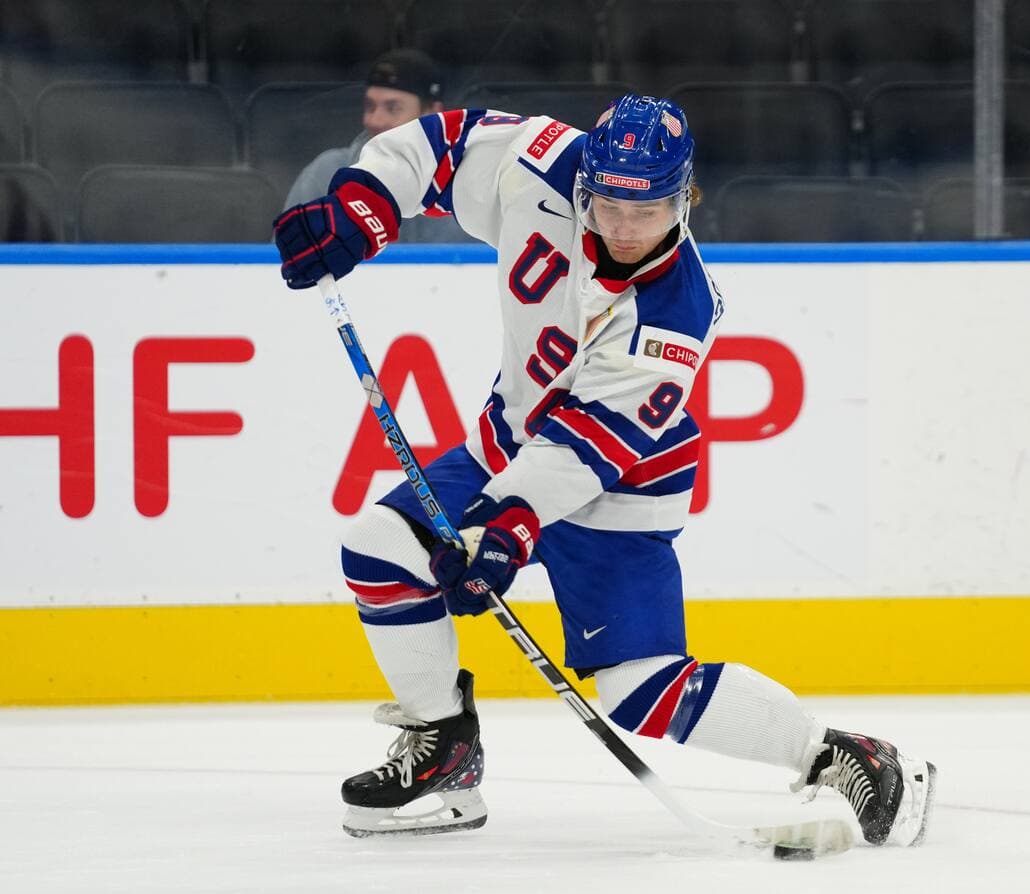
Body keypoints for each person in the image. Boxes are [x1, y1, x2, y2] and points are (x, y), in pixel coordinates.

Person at [272, 95, 936, 846]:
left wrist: (505, 527)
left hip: (618, 494)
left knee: (639, 691)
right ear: (586, 180)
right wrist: (363, 208)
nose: (622, 228)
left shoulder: (679, 311)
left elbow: (589, 446)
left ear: (684, 199)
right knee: (379, 549)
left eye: (647, 210)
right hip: (506, 451)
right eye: (608, 205)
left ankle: (844, 756)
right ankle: (445, 749)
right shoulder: (541, 161)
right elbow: (437, 145)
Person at [283, 48, 463, 244]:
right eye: (370, 106)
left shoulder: (467, 184)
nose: (375, 120)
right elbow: (281, 263)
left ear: (432, 114)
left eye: (392, 108)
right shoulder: (326, 173)